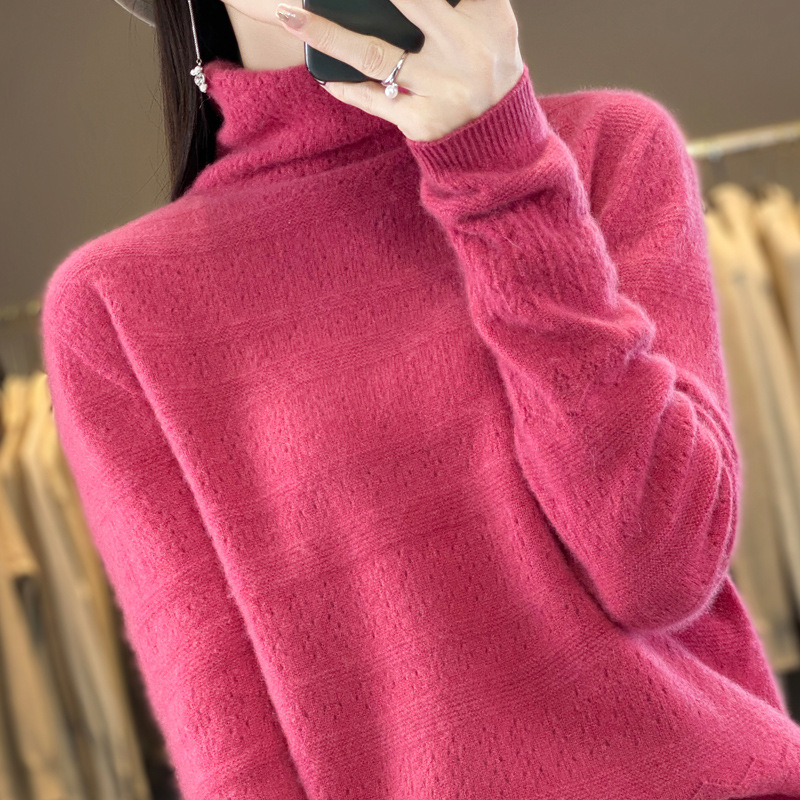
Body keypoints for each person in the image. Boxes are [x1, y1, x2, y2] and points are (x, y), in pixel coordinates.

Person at [40, 0, 800, 798]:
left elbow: (659, 572)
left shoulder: (606, 148)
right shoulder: (115, 306)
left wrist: (499, 167)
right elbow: (230, 749)